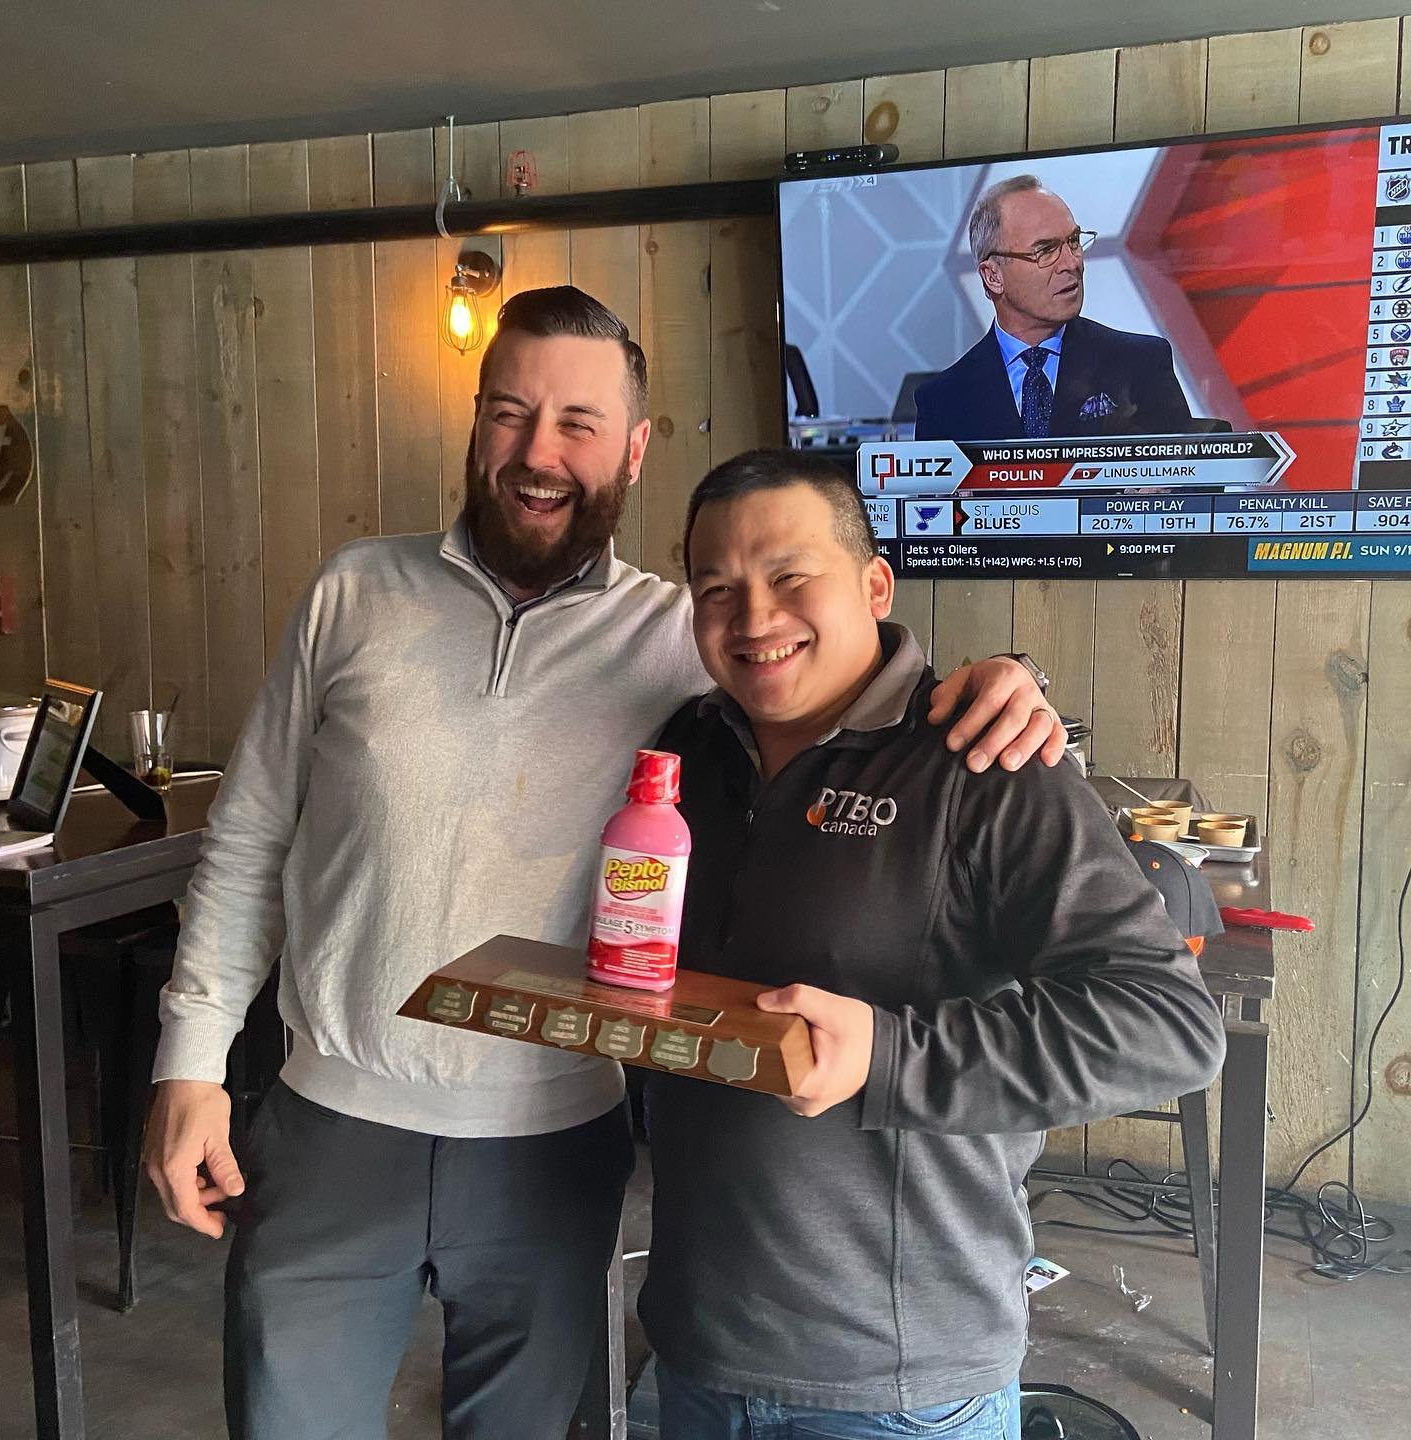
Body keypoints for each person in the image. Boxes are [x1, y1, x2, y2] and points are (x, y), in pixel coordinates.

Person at [142, 288, 1064, 1440]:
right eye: (510, 414)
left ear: (632, 449)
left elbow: (833, 678)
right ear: (476, 424)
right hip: (329, 1120)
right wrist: (189, 1065)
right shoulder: (352, 595)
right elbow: (248, 837)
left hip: (554, 1142)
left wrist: (1000, 682)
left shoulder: (689, 636)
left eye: (578, 423)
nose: (538, 454)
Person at [640, 448, 1226, 1438]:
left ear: (875, 585)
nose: (752, 617)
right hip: (696, 1352)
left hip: (900, 1386)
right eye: (715, 589)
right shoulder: (684, 752)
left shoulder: (985, 761)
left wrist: (890, 1055)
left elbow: (1168, 1025)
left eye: (791, 578)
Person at [915, 174, 1195, 441]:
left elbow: (1194, 480)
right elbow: (931, 492)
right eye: (1045, 250)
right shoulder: (944, 401)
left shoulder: (1141, 364)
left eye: (1073, 241)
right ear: (993, 276)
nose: (1072, 263)